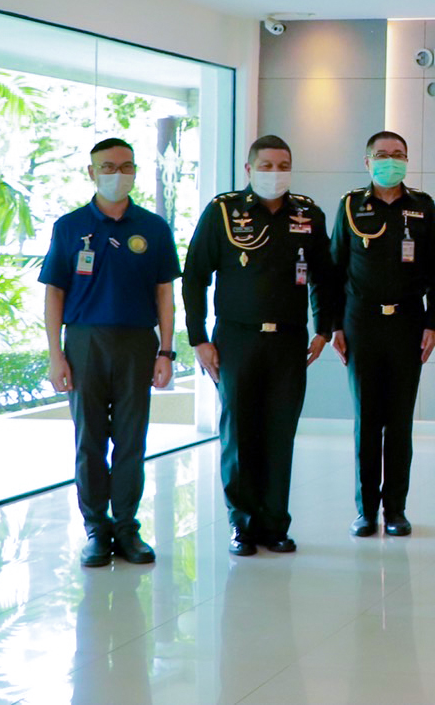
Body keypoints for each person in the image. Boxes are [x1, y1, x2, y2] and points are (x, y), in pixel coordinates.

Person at [183, 134, 336, 556]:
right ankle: (243, 525)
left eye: (282, 166)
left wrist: (324, 328)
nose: (275, 173)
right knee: (239, 433)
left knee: (279, 432)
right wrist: (198, 338)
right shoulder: (223, 211)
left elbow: (324, 277)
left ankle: (275, 524)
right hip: (236, 339)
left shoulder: (308, 214)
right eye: (266, 166)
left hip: (289, 340)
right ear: (249, 169)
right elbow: (194, 276)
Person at [40, 138, 181, 568]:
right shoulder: (70, 226)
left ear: (135, 171)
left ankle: (126, 527)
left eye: (125, 167)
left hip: (138, 342)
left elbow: (164, 293)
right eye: (107, 167)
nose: (117, 175)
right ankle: (96, 530)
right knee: (90, 441)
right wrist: (56, 355)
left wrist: (166, 351)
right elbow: (54, 293)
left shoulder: (154, 228)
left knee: (131, 439)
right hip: (85, 343)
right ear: (91, 172)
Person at [329, 131, 435, 538]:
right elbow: (334, 269)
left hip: (408, 322)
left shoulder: (423, 206)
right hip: (361, 323)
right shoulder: (350, 206)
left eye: (398, 154)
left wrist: (433, 324)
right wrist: (334, 325)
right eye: (382, 155)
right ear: (368, 162)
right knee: (367, 419)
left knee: (399, 421)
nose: (390, 161)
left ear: (407, 161)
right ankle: (366, 511)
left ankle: (396, 509)